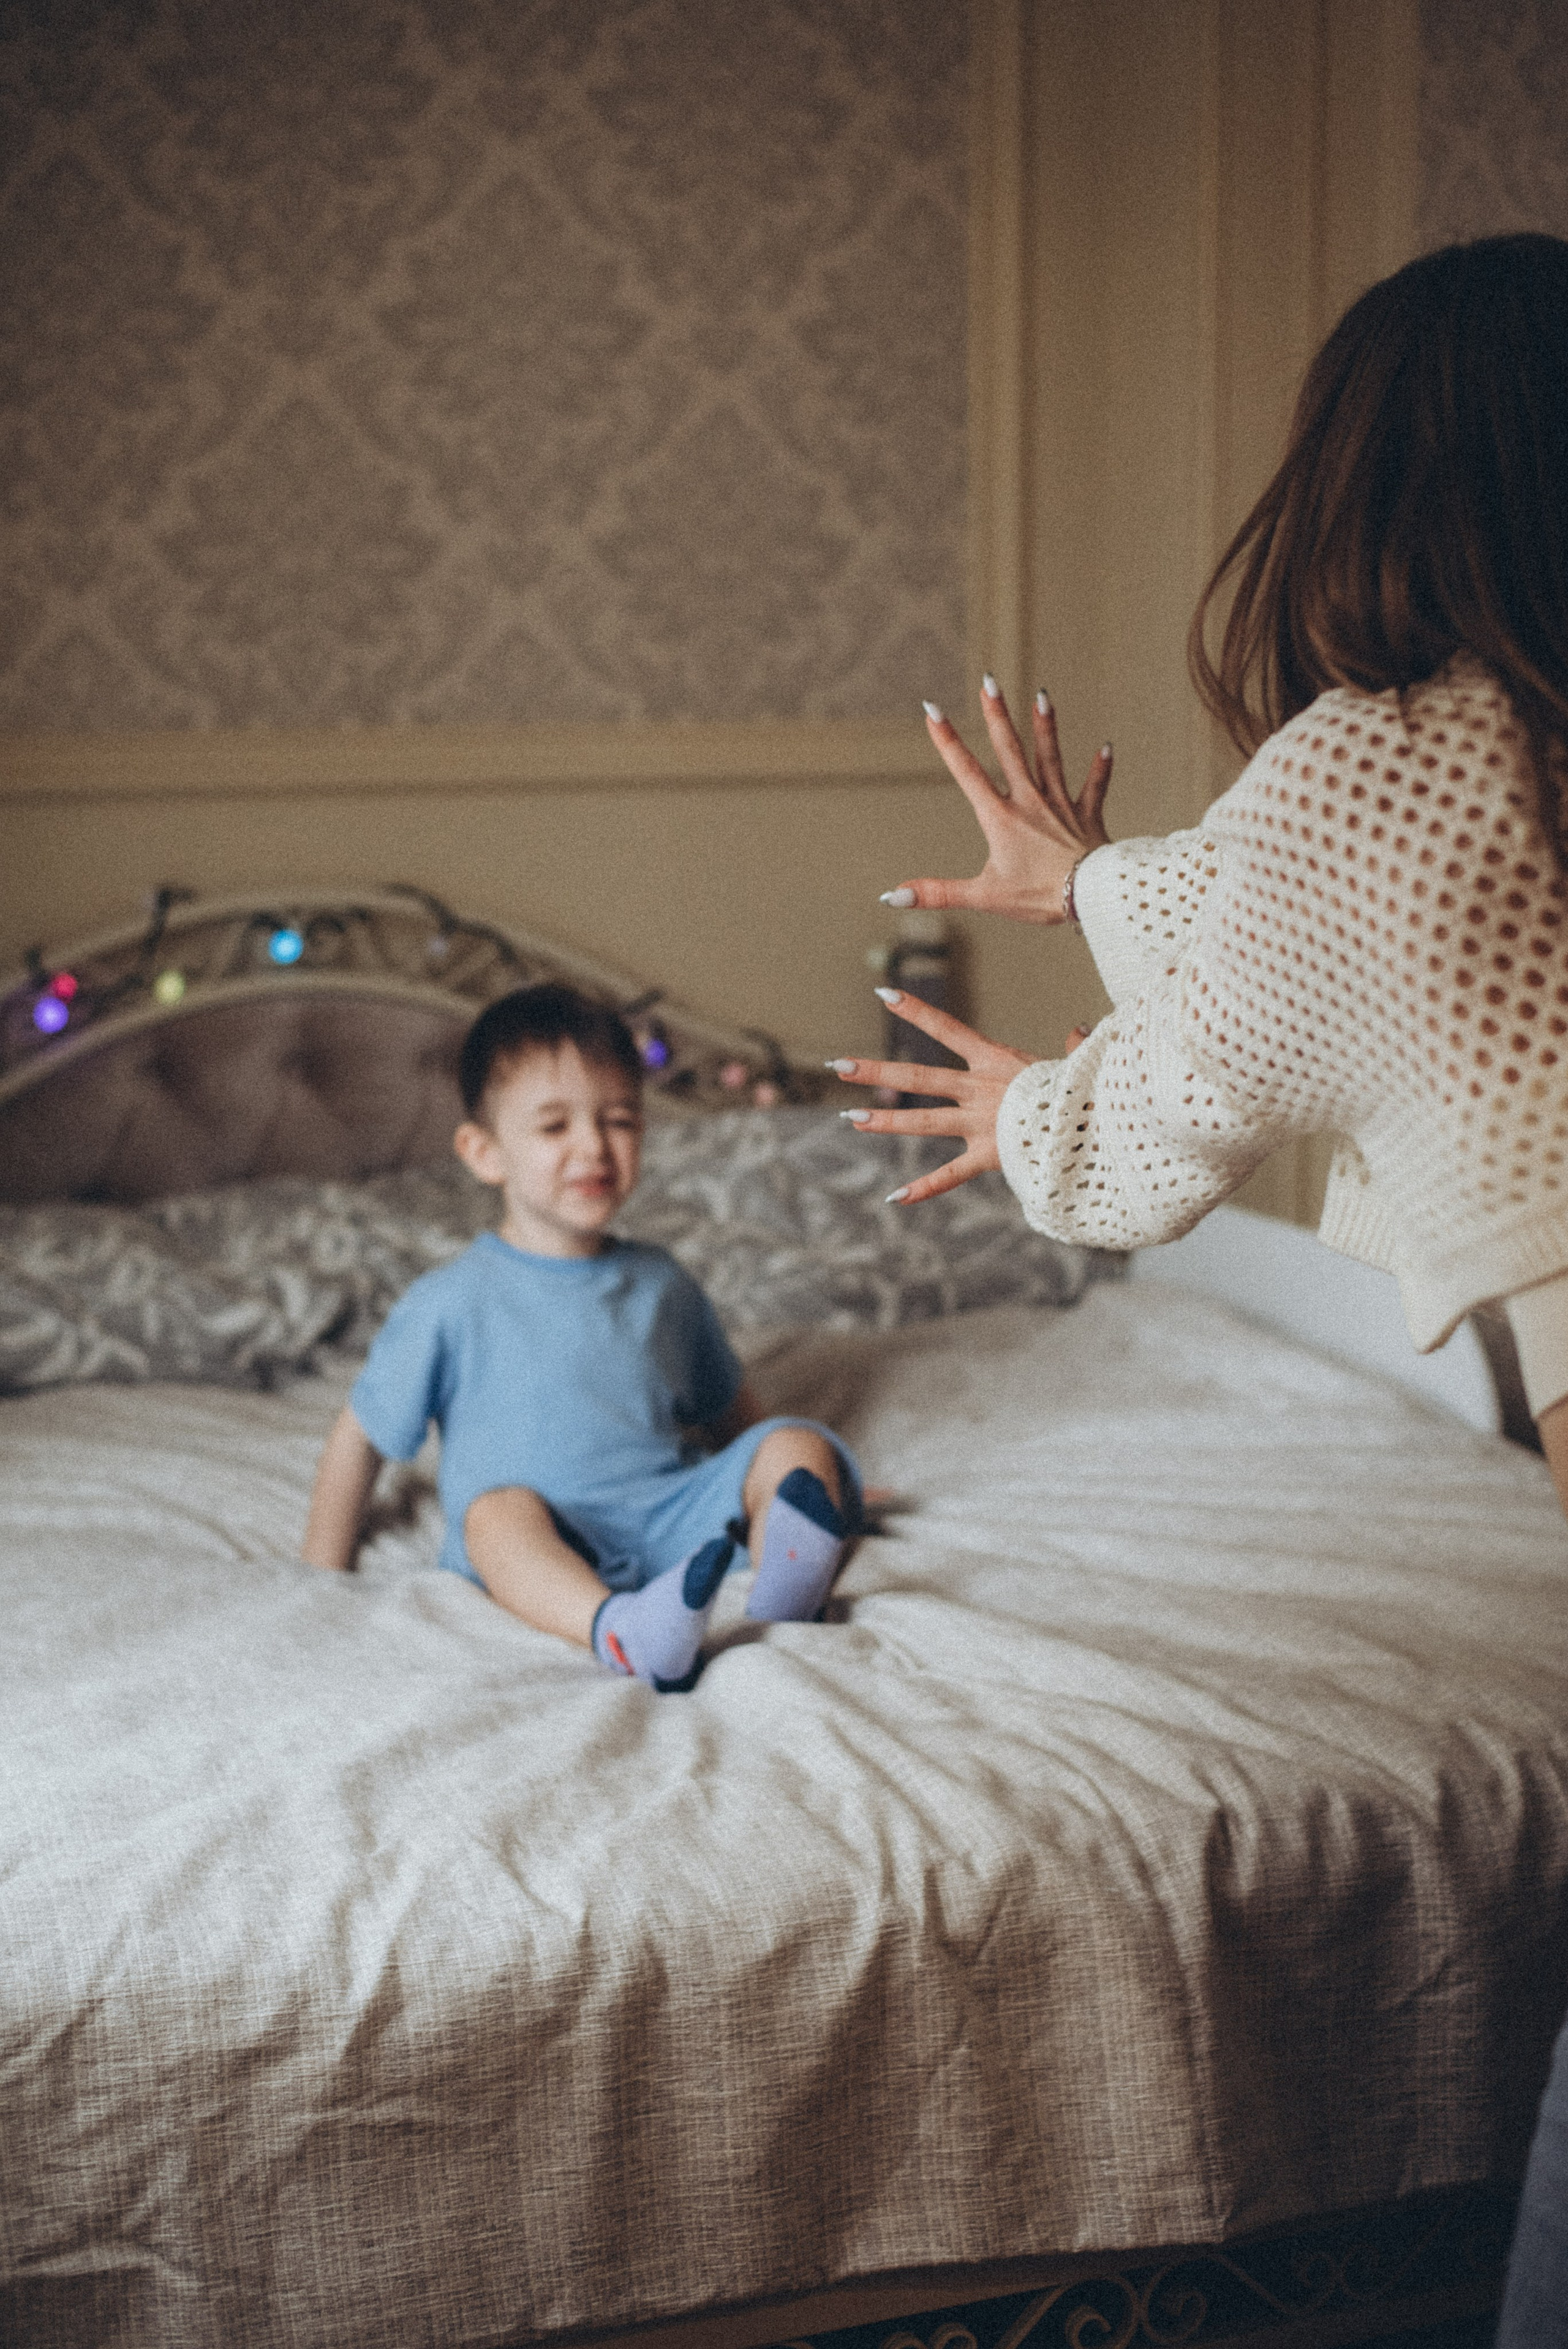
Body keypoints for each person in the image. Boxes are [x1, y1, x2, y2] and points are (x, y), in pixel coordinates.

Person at [827, 233, 1568, 2342]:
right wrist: (1090, 885)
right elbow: (1271, 924)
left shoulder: (1378, 772)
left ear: (1362, 480)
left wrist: (1026, 1109)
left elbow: (1156, 1132)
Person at [304, 983, 861, 1691]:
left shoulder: (663, 1283)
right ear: (484, 1152)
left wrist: (789, 1485)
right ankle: (623, 1629)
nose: (593, 1146)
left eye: (619, 1120)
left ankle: (788, 1589)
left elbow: (730, 1409)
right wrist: (320, 1577)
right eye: (554, 1126)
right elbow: (360, 1436)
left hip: (668, 1517)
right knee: (492, 1515)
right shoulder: (449, 1301)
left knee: (797, 1441)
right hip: (541, 1536)